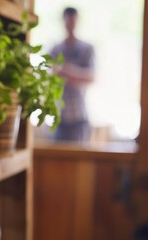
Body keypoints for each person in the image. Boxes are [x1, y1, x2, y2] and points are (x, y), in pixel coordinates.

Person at [50, 7, 95, 142]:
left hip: (79, 117)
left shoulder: (87, 48)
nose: (71, 25)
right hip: (58, 116)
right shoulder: (56, 49)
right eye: (68, 21)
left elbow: (91, 77)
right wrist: (75, 75)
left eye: (73, 21)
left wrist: (66, 70)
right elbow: (52, 76)